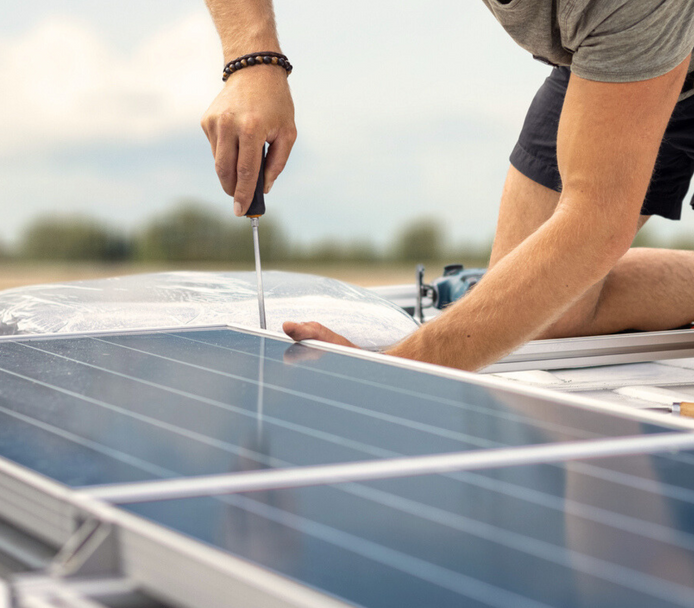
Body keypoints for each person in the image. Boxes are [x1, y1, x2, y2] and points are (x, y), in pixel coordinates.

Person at [201, 0, 694, 371]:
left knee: (570, 259)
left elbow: (595, 223)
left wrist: (403, 367)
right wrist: (253, 60)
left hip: (636, 33)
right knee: (554, 311)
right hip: (607, 58)